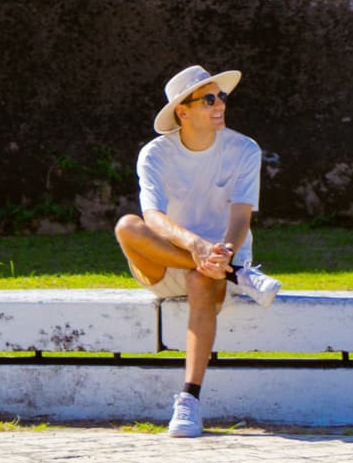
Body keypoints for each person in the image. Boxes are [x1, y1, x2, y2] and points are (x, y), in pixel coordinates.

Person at [115, 63, 281, 438]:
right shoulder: (154, 154)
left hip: (219, 259)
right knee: (127, 227)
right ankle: (236, 275)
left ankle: (189, 399)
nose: (220, 104)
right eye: (208, 99)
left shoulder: (245, 149)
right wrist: (195, 246)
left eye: (220, 97)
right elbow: (153, 218)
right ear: (183, 112)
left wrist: (221, 254)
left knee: (200, 278)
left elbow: (241, 218)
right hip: (167, 259)